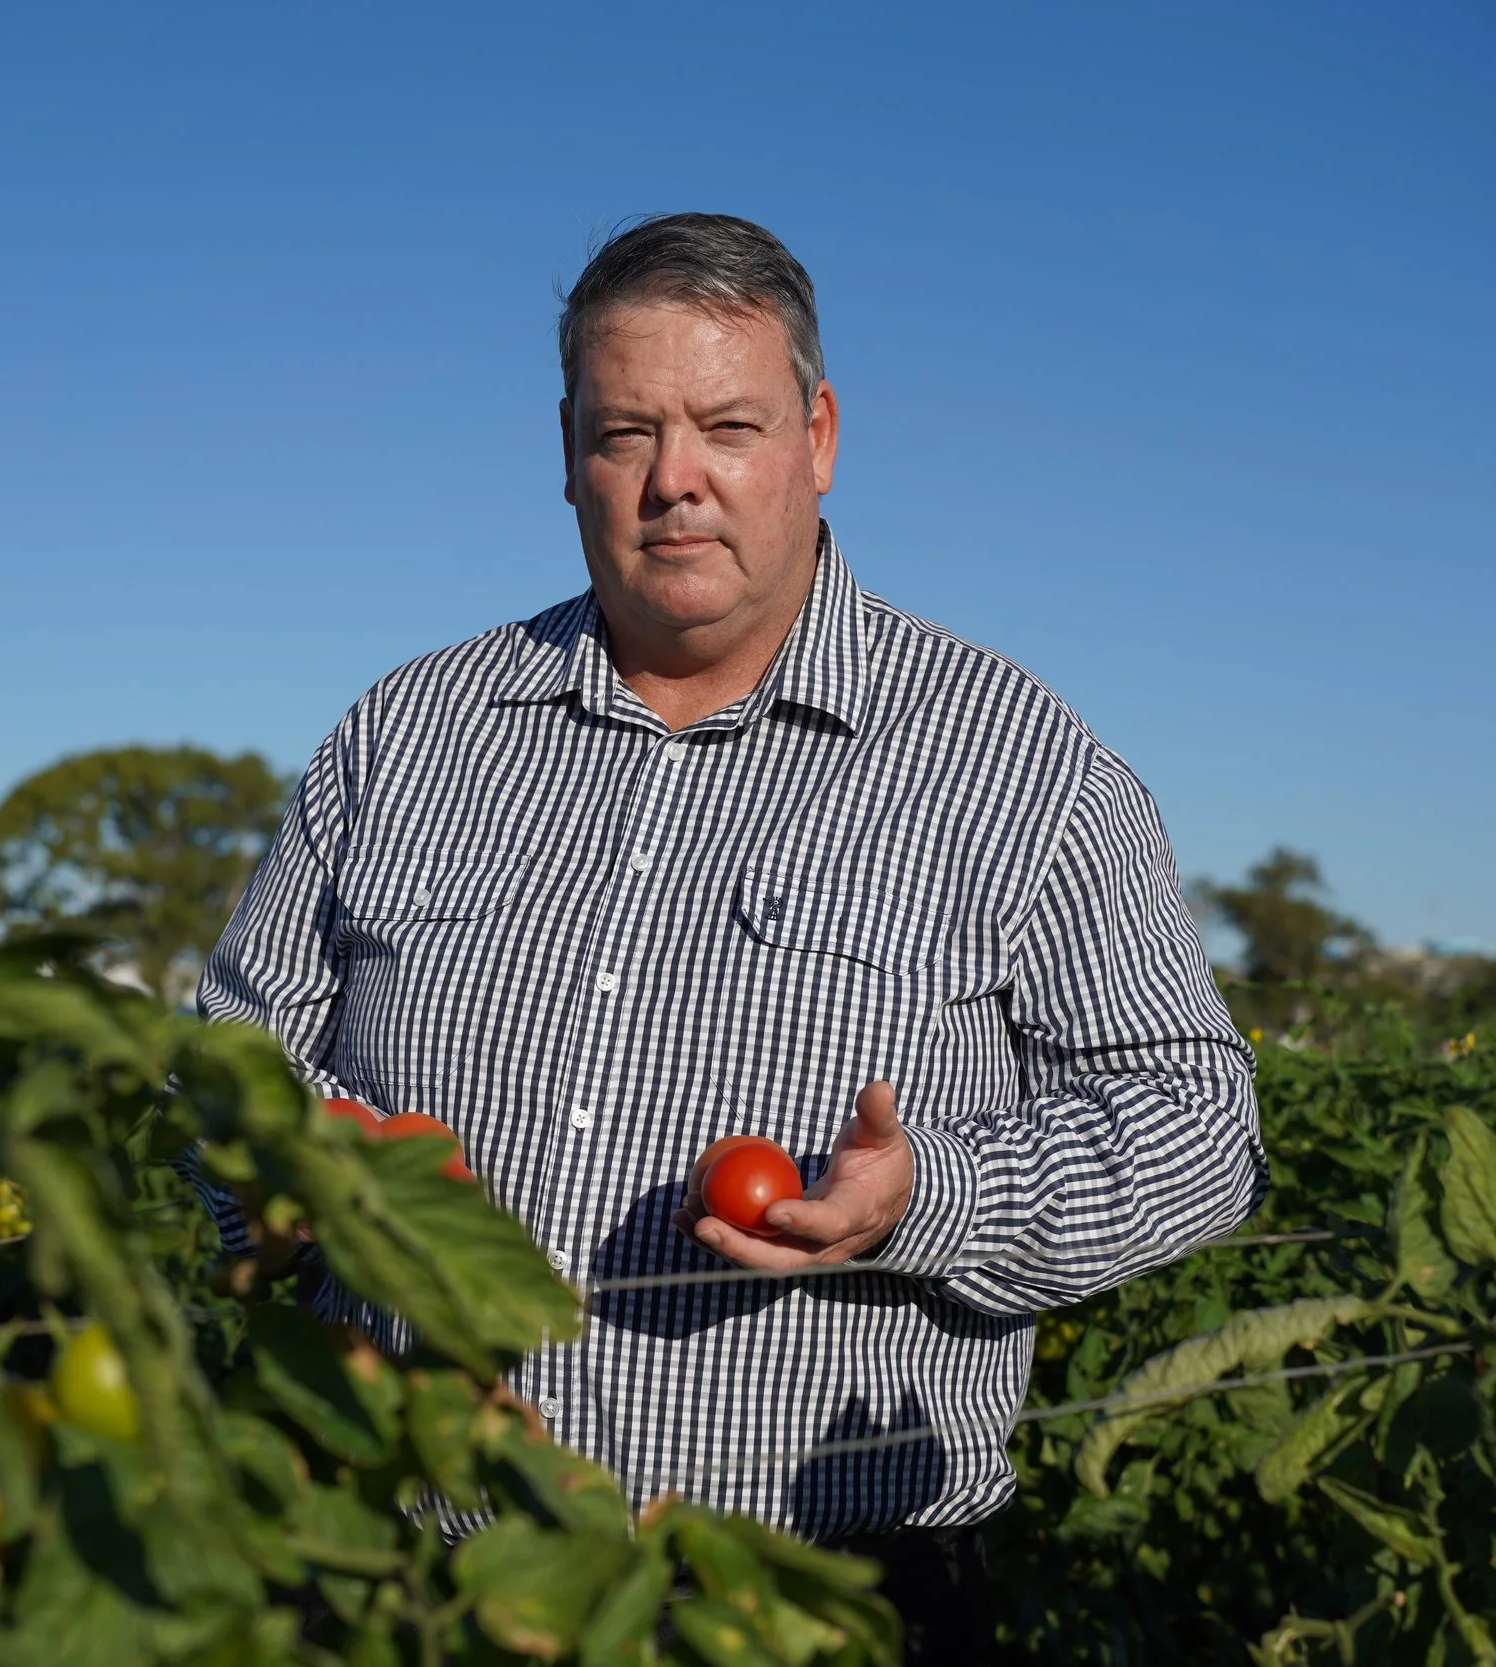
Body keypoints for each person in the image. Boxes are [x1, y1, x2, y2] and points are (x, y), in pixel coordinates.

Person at [196, 212, 1267, 1658]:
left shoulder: (1015, 761)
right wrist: (316, 1184)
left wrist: (922, 1198)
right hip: (408, 1574)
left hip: (812, 1595)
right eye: (625, 431)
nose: (674, 480)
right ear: (564, 447)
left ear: (818, 436)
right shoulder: (407, 736)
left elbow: (1197, 1127)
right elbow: (228, 1054)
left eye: (728, 425)